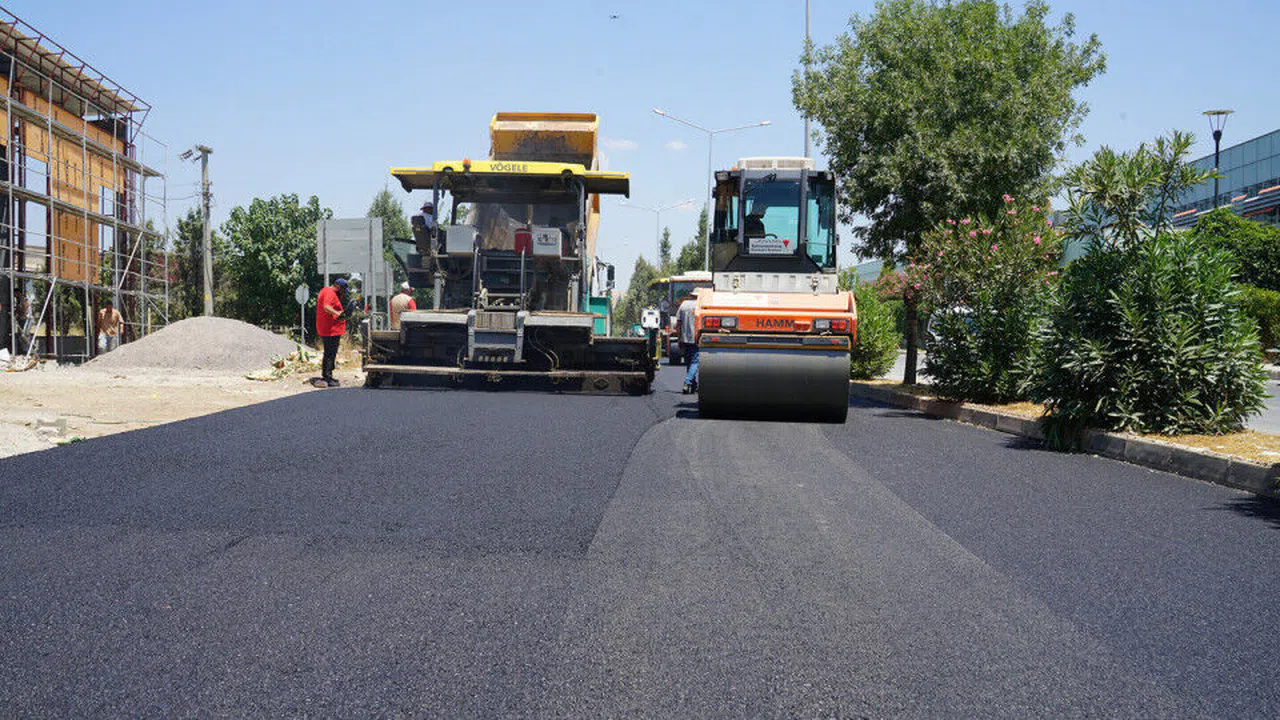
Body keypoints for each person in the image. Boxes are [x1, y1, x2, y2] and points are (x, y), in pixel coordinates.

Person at [316, 277, 347, 387]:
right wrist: (338, 313)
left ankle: (328, 375)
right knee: (330, 353)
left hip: (330, 329)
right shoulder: (329, 292)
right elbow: (326, 307)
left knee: (330, 352)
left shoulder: (326, 291)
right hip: (329, 329)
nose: (343, 293)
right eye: (343, 290)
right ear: (338, 287)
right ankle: (327, 377)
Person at [677, 293, 700, 394]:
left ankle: (693, 385)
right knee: (695, 362)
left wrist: (679, 338)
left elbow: (679, 323)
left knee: (689, 362)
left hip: (685, 338)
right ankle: (687, 382)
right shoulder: (700, 305)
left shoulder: (684, 304)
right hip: (696, 338)